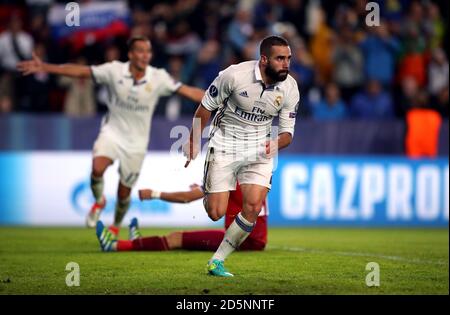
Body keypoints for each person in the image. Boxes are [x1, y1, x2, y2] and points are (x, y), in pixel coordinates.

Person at [17, 36, 204, 236]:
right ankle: (99, 202)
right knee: (97, 168)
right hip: (112, 133)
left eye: (148, 51)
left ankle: (115, 225)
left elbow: (188, 91)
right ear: (130, 54)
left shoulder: (158, 77)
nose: (144, 55)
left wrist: (216, 96)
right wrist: (46, 67)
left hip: (137, 143)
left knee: (124, 192)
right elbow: (82, 71)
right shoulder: (114, 70)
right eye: (140, 51)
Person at [183, 35, 299, 277]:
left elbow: (288, 134)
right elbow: (205, 107)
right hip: (225, 143)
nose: (286, 64)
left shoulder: (290, 88)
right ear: (264, 59)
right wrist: (194, 139)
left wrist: (276, 144)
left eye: (288, 58)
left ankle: (217, 261)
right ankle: (209, 188)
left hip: (259, 149)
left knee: (253, 206)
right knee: (216, 212)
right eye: (280, 59)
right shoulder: (234, 75)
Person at [95, 183, 267, 252]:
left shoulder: (229, 173)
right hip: (251, 237)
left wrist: (155, 194)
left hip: (243, 239)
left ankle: (115, 245)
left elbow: (187, 197)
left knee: (175, 238)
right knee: (177, 237)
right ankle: (137, 241)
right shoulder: (253, 172)